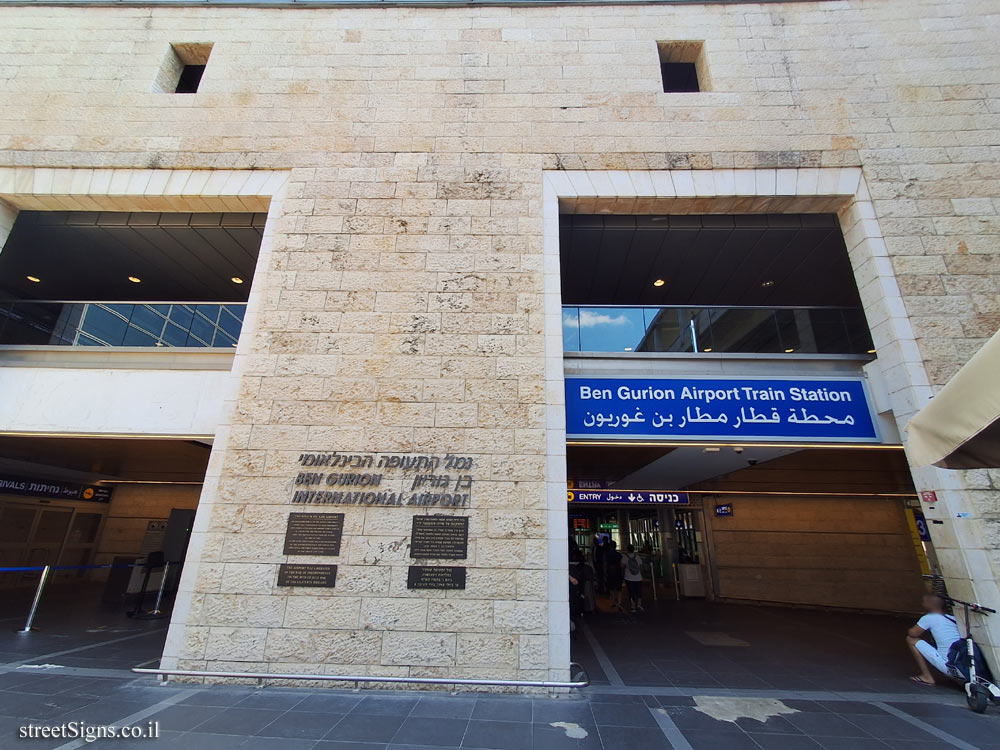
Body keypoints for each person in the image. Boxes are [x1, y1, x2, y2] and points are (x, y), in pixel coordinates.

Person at [906, 593, 961, 686]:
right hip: (960, 667)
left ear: (930, 604)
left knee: (911, 639)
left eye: (924, 602)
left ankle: (927, 676)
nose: (922, 604)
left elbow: (912, 633)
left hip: (947, 665)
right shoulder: (953, 618)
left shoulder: (929, 618)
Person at [622, 544, 645, 613]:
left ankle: (633, 606)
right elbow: (641, 566)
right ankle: (639, 604)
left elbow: (622, 566)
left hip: (629, 577)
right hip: (638, 577)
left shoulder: (625, 557)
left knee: (631, 592)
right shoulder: (637, 557)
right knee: (639, 592)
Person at [605, 540, 624, 612]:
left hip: (610, 573)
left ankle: (613, 602)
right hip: (618, 573)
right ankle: (619, 602)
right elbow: (621, 565)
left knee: (611, 588)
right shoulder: (619, 555)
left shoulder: (607, 554)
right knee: (619, 588)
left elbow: (605, 564)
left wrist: (605, 572)